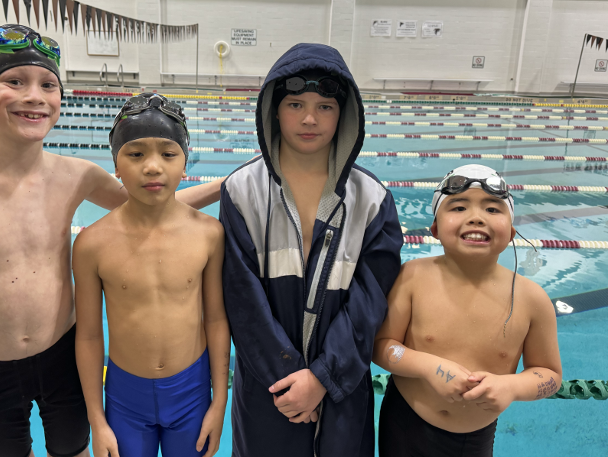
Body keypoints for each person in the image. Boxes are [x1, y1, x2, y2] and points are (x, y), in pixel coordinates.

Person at [0, 25, 222, 457]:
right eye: (14, 81)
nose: (34, 96)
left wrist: (227, 185)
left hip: (63, 357)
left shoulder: (75, 175)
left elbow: (156, 204)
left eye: (47, 84)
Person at [220, 43, 404, 457]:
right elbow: (242, 299)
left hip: (341, 387)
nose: (309, 119)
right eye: (295, 104)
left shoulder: (372, 198)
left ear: (344, 115)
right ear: (273, 109)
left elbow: (370, 301)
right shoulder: (242, 191)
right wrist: (291, 384)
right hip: (270, 388)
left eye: (324, 107)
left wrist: (322, 378)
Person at [74, 93, 230, 457]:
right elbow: (89, 336)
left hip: (191, 392)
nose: (153, 167)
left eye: (168, 154)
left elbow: (216, 320)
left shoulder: (209, 234)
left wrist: (219, 402)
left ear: (185, 163)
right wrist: (97, 420)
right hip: (125, 398)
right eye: (136, 154)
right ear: (116, 165)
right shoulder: (91, 244)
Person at [373, 164, 562, 457]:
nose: (476, 217)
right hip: (403, 424)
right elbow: (382, 346)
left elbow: (549, 375)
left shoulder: (532, 299)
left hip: (474, 440)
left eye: (492, 209)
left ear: (511, 233)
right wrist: (429, 367)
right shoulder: (412, 277)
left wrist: (511, 386)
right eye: (459, 207)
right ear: (435, 229)